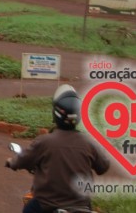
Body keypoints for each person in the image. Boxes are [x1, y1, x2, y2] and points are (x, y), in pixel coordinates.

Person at [6, 84, 110, 213]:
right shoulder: (89, 142)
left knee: (28, 209)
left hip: (47, 205)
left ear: (55, 113)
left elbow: (22, 160)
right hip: (82, 206)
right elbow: (103, 167)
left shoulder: (44, 142)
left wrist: (12, 162)